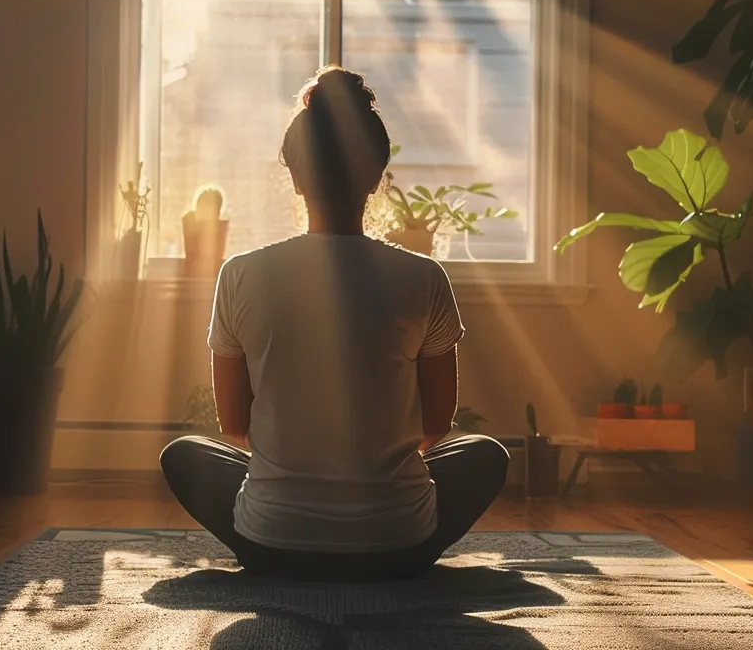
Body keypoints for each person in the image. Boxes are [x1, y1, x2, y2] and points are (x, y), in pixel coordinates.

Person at [158, 66, 510, 582]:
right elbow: (435, 426)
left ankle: (284, 535)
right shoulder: (424, 277)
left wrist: (301, 464)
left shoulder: (239, 275)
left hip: (272, 547)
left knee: (183, 455)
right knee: (486, 454)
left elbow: (233, 425)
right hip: (397, 549)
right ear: (376, 176)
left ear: (295, 176)